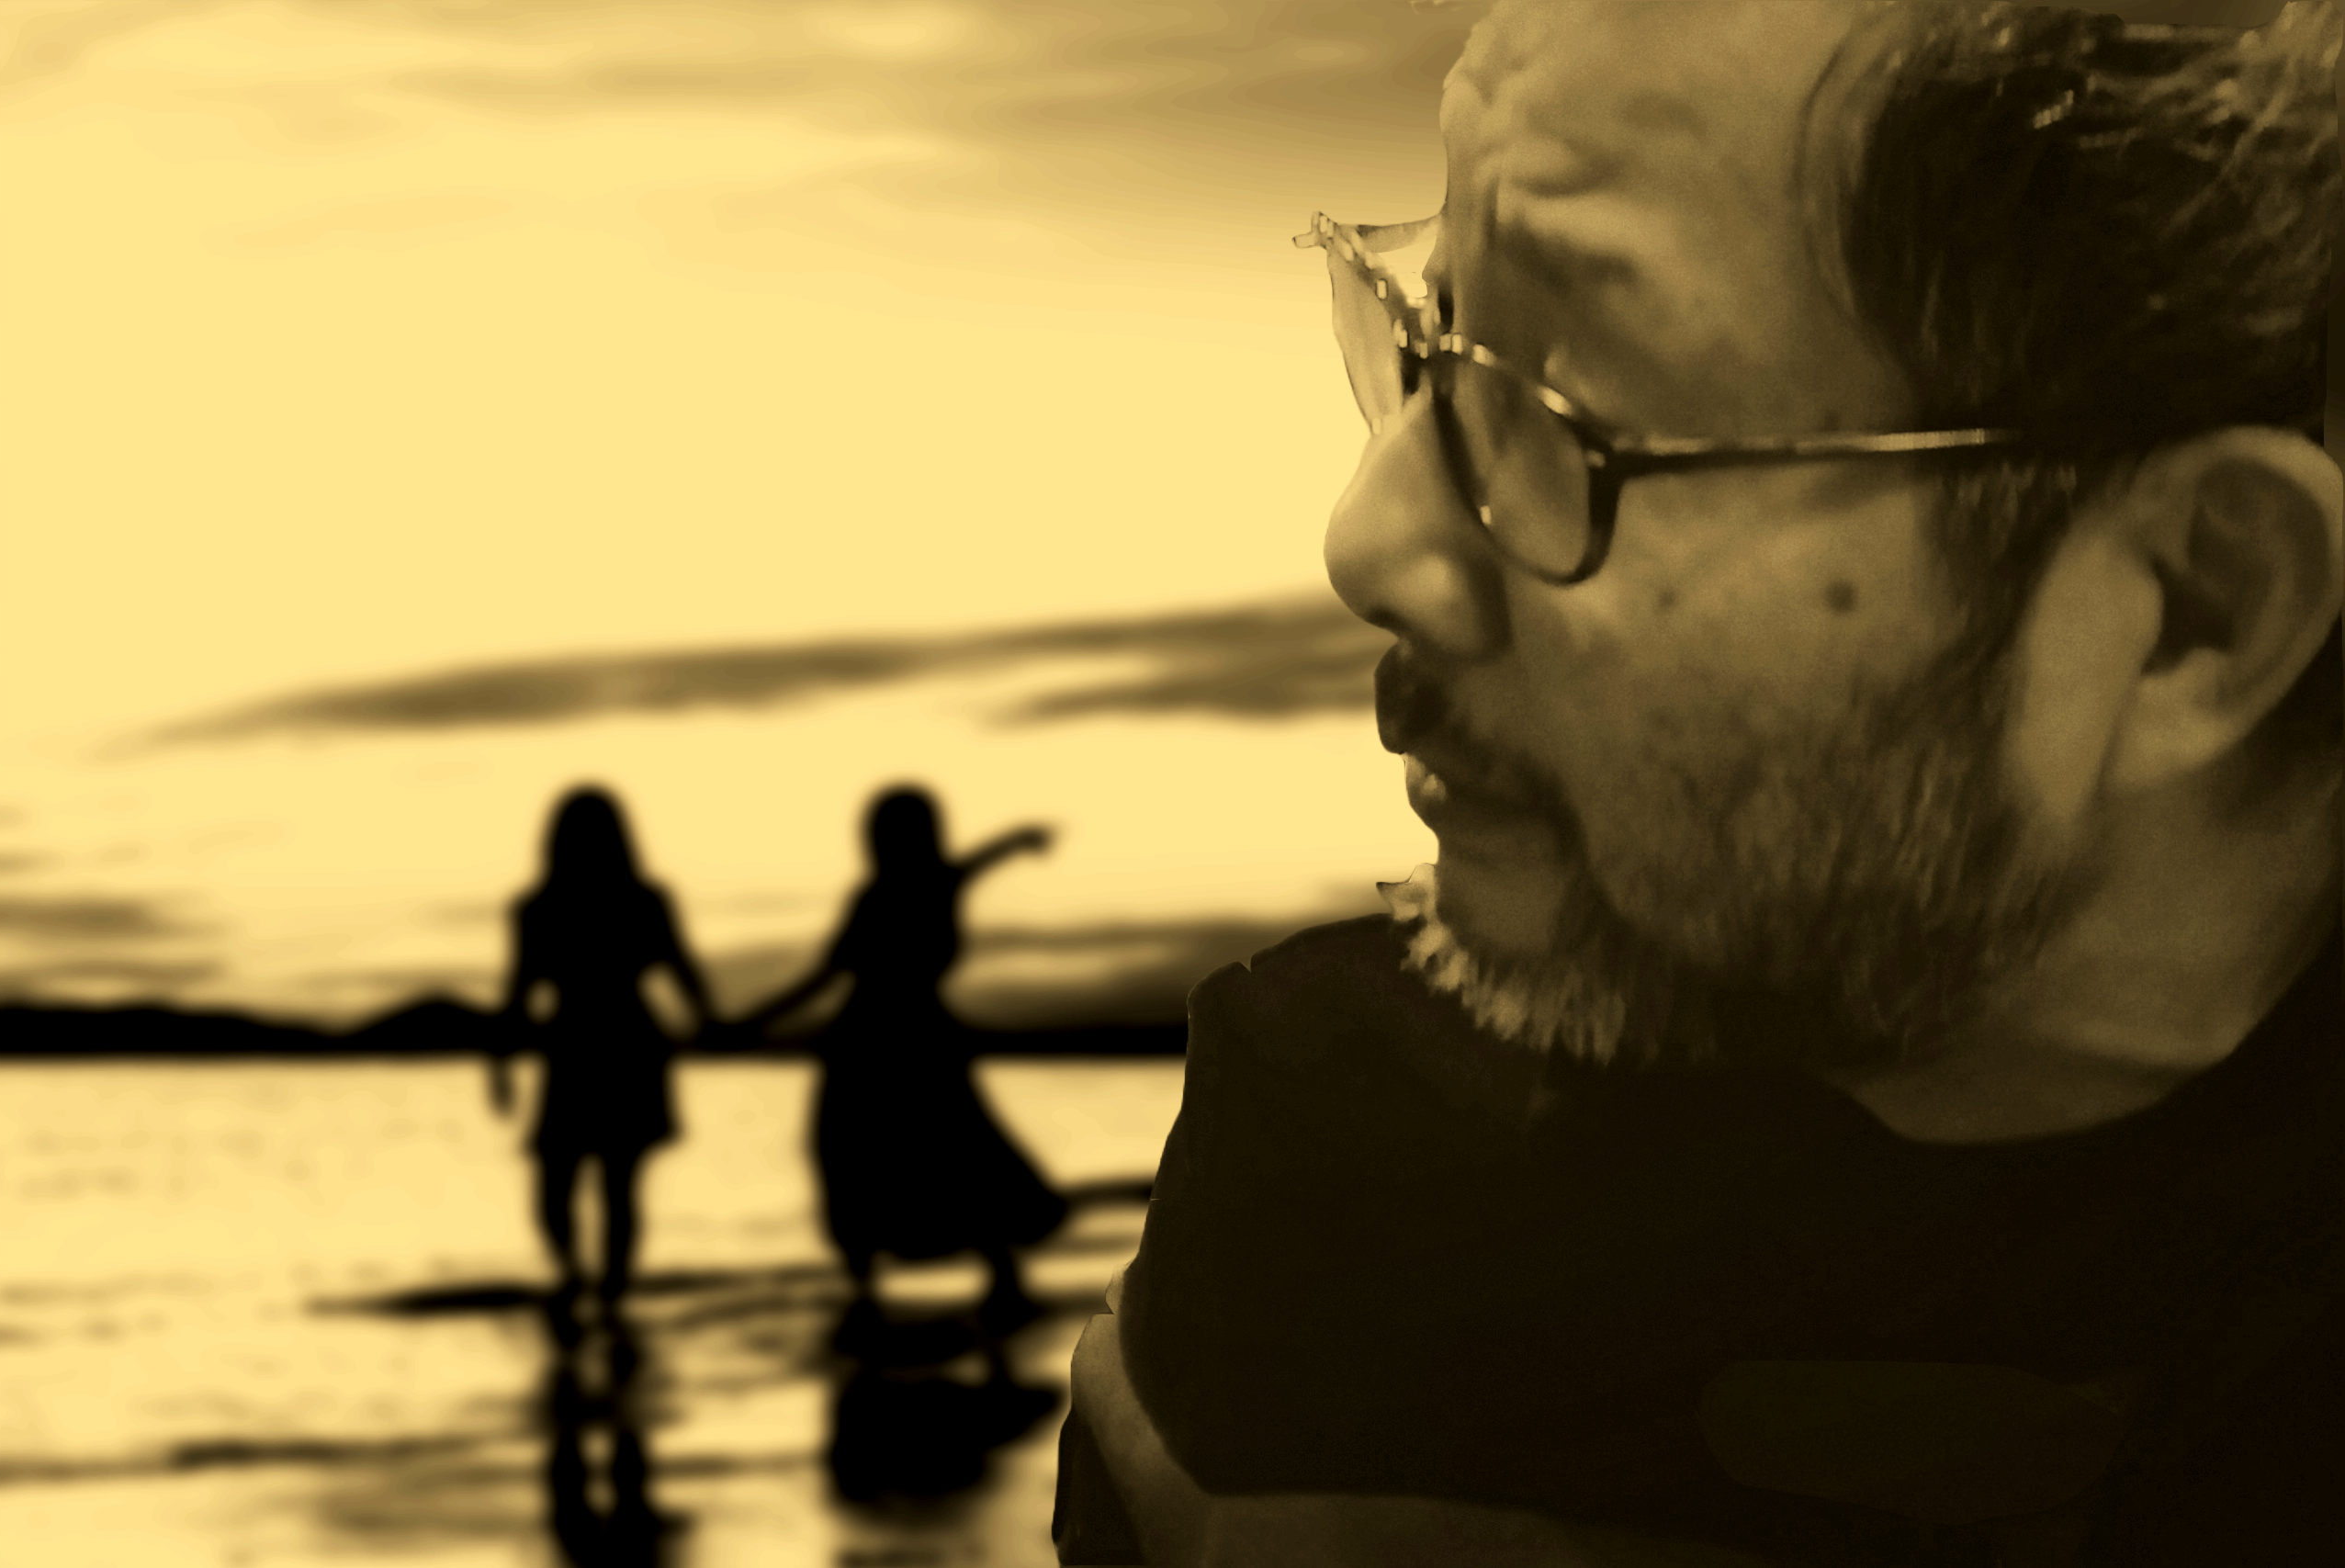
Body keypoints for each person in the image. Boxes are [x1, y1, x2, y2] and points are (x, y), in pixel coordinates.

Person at [1056, 3, 2340, 1565]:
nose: (1370, 541)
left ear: (2196, 606)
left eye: (1574, 419)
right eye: (1430, 335)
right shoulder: (1340, 1180)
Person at [744, 785, 1066, 1337]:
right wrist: (1019, 841)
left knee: (898, 1153)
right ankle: (982, 1275)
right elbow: (978, 861)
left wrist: (754, 1021)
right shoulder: (933, 883)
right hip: (903, 1039)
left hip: (878, 1041)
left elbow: (828, 974)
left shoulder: (890, 893)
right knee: (937, 1150)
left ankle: (878, 1286)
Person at [491, 786, 716, 1319]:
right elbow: (519, 989)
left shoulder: (644, 901)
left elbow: (680, 966)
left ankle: (610, 1290)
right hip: (580, 1046)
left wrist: (708, 1019)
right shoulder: (536, 909)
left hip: (623, 1043)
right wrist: (499, 1061)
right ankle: (578, 1277)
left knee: (615, 1184)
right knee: (558, 1181)